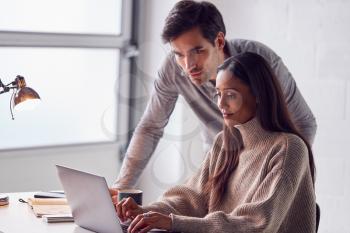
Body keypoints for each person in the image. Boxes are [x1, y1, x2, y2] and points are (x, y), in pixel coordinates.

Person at [111, 0, 317, 193]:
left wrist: (281, 175)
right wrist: (121, 187)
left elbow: (304, 123)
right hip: (219, 166)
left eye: (197, 51)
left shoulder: (259, 61)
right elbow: (150, 127)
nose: (188, 64)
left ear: (219, 41)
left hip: (265, 167)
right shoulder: (173, 69)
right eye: (179, 54)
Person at [116, 52, 316, 233]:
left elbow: (256, 225)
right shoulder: (225, 142)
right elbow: (191, 198)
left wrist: (172, 222)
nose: (220, 104)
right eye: (218, 94)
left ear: (258, 96)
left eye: (230, 95)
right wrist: (146, 211)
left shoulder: (289, 148)